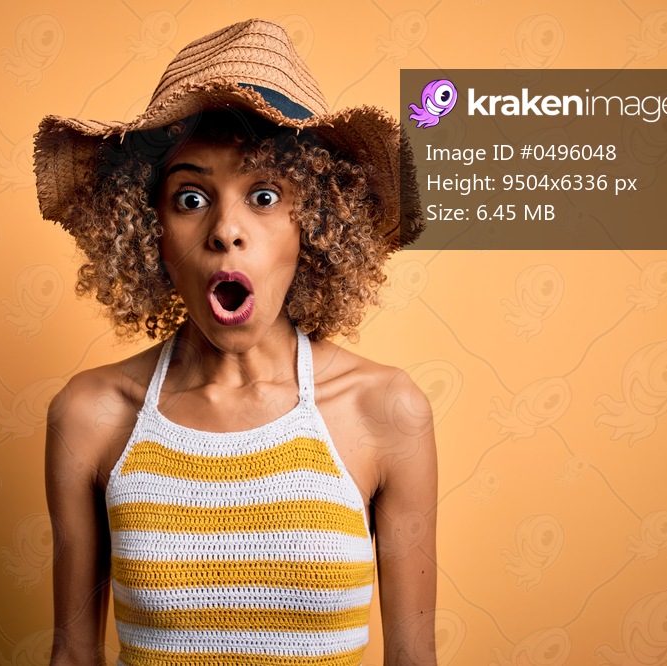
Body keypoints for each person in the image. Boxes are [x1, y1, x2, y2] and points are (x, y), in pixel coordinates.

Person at [36, 19, 437, 666]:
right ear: (150, 234)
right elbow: (73, 655)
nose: (227, 229)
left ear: (313, 223)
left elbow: (415, 659)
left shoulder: (387, 411)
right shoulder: (91, 415)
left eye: (264, 195)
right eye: (190, 197)